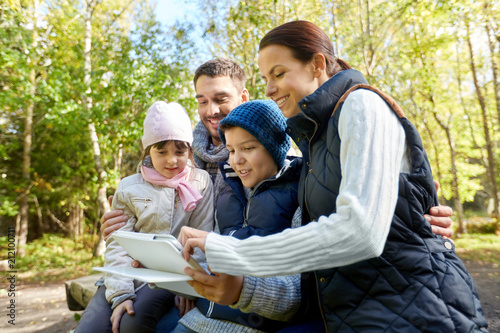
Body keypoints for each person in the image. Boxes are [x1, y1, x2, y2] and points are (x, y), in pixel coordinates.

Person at [180, 21, 488, 332]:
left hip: (415, 309)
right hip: (356, 309)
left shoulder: (361, 104)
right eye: (265, 78)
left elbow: (360, 231)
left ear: (316, 65)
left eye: (279, 73)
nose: (269, 89)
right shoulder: (314, 138)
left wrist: (234, 253)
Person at [75, 101, 214, 333]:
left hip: (170, 276)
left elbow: (203, 236)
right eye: (162, 152)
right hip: (126, 270)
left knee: (133, 323)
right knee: (89, 329)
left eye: (180, 151)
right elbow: (118, 244)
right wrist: (120, 294)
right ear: (147, 151)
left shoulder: (200, 182)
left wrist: (188, 287)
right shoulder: (129, 187)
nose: (172, 160)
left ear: (190, 150)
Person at [169, 100, 304, 332]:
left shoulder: (299, 193)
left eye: (248, 148)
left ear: (273, 146)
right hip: (200, 318)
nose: (236, 159)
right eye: (231, 150)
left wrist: (242, 290)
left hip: (251, 325)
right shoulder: (228, 187)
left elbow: (299, 290)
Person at [100, 58, 249, 239]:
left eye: (221, 99)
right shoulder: (177, 151)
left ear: (243, 98)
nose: (211, 111)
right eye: (202, 101)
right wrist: (119, 227)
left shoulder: (262, 154)